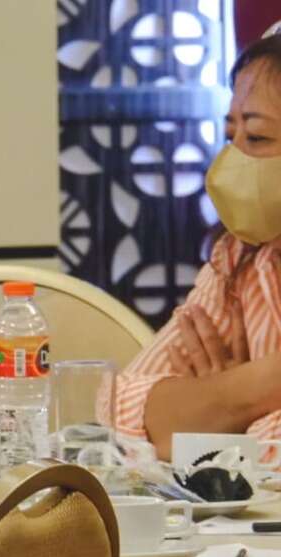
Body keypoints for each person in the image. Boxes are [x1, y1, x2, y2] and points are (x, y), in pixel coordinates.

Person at [117, 25, 281, 460]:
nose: (232, 160)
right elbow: (126, 409)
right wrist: (250, 390)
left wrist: (221, 413)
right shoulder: (241, 259)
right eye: (230, 137)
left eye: (257, 138)